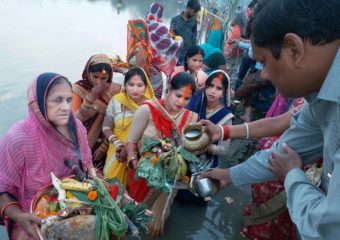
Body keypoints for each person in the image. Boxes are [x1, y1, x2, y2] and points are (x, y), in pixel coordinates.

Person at [200, 0, 340, 239]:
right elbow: (281, 152)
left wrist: (293, 176)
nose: (263, 74)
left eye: (264, 61)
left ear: (294, 49)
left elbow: (327, 228)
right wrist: (228, 175)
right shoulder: (319, 98)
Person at [0, 73, 93, 240]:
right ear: (39, 103)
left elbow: (88, 169)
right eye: (57, 100)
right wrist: (19, 216)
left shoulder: (76, 128)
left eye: (68, 100)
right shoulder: (18, 138)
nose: (65, 107)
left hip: (76, 208)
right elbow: (2, 189)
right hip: (33, 216)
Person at [126, 72, 198, 237]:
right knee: (133, 218)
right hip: (142, 172)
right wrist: (133, 161)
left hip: (167, 181)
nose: (181, 102)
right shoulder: (147, 109)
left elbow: (187, 151)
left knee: (154, 224)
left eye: (187, 99)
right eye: (178, 95)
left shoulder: (191, 119)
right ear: (169, 90)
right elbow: (131, 142)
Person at [102, 67, 154, 186]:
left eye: (140, 85)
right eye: (131, 84)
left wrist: (130, 150)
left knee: (132, 193)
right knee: (111, 188)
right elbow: (106, 127)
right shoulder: (116, 100)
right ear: (124, 85)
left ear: (145, 87)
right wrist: (118, 144)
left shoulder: (151, 106)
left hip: (138, 156)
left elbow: (152, 134)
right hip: (116, 153)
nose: (135, 89)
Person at [72, 54, 121, 169]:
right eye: (95, 77)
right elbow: (75, 120)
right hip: (83, 141)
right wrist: (91, 98)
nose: (99, 82)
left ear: (109, 76)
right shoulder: (79, 89)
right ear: (87, 73)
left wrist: (103, 147)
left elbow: (118, 120)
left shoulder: (116, 90)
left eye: (103, 78)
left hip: (107, 141)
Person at [187, 70, 233, 167]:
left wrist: (205, 146)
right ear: (205, 86)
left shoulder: (225, 116)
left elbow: (224, 150)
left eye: (219, 88)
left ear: (223, 93)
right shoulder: (196, 102)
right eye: (211, 85)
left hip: (206, 162)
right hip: (185, 150)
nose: (213, 91)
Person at [145, 2, 183, 98]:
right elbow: (170, 45)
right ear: (160, 13)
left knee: (140, 91)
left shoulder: (142, 25)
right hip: (154, 71)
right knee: (154, 101)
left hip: (142, 67)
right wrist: (180, 41)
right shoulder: (160, 27)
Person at [170, 0, 201, 65]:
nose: (195, 14)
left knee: (182, 74)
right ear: (189, 9)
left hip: (186, 56)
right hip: (174, 55)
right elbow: (170, 37)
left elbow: (194, 38)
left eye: (196, 12)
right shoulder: (175, 20)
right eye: (194, 12)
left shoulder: (194, 21)